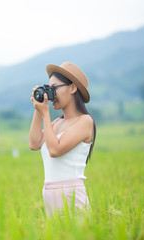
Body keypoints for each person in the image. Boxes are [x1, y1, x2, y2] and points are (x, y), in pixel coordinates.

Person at [29, 62, 96, 218]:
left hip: (71, 195)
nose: (51, 94)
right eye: (48, 88)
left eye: (55, 88)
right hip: (49, 195)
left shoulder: (85, 121)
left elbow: (54, 150)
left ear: (72, 88)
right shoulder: (58, 122)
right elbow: (34, 143)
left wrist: (45, 114)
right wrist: (38, 110)